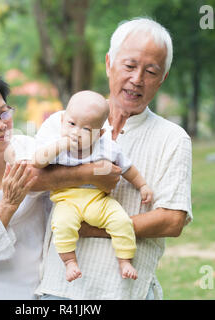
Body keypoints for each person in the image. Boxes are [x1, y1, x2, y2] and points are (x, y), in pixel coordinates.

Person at [34, 17, 193, 300]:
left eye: (151, 71)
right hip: (59, 290)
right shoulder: (63, 122)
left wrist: (95, 227)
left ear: (163, 78)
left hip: (126, 292)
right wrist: (88, 174)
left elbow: (172, 220)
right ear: (109, 63)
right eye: (129, 66)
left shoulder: (173, 138)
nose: (137, 79)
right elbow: (29, 179)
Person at [0, 74, 120, 299]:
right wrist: (7, 206)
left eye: (3, 112)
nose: (0, 125)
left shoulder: (30, 150)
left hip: (35, 294)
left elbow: (71, 184)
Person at [32, 90, 153, 282]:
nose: (76, 133)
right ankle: (70, 261)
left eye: (86, 130)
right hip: (66, 200)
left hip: (99, 200)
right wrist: (59, 145)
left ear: (100, 133)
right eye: (71, 124)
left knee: (121, 221)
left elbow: (127, 168)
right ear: (63, 120)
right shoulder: (58, 146)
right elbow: (37, 161)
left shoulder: (106, 147)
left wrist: (143, 185)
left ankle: (124, 260)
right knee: (62, 225)